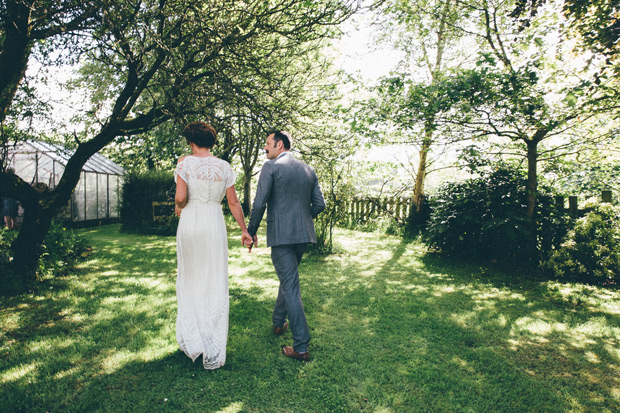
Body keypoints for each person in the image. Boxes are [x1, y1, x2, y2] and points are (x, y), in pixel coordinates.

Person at [174, 121, 252, 369]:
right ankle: (211, 343)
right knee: (214, 279)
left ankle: (193, 339)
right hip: (214, 224)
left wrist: (179, 206)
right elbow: (233, 203)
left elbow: (181, 197)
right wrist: (244, 230)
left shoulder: (184, 163)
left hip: (191, 223)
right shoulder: (224, 166)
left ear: (191, 142)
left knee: (191, 278)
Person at [247, 130, 325, 362]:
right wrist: (302, 219)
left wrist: (250, 232)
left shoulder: (271, 167)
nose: (265, 148)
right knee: (288, 279)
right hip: (303, 236)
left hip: (282, 236)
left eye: (268, 144)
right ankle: (278, 323)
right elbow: (319, 204)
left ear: (280, 144)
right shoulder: (308, 169)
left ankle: (301, 347)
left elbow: (260, 202)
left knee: (290, 285)